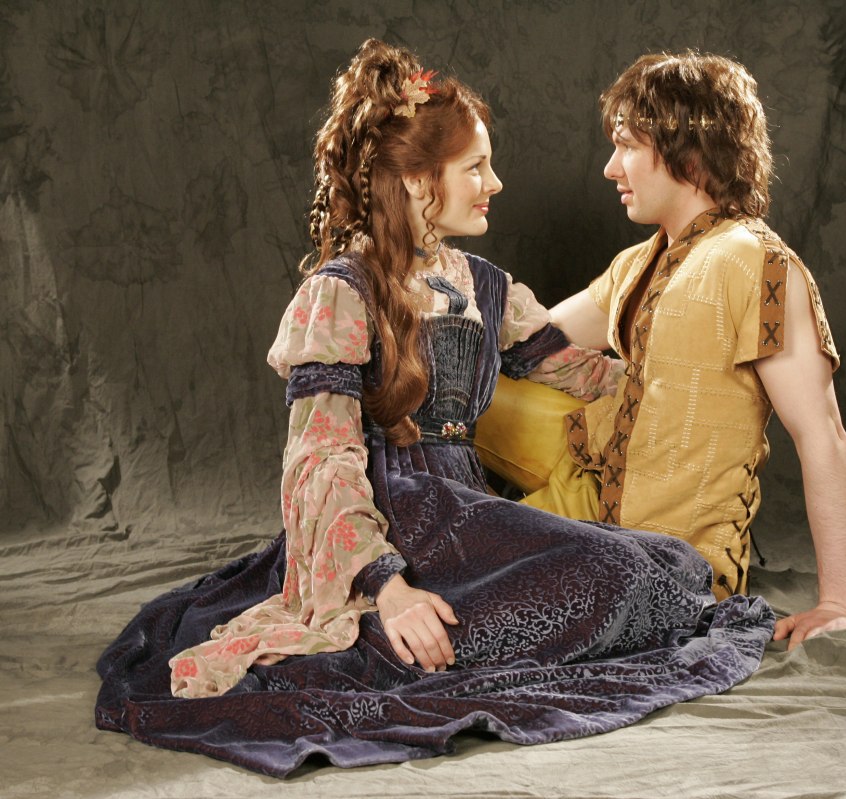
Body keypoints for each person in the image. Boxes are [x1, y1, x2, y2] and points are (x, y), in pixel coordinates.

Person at [94, 40, 774, 777]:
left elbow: (586, 375)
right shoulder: (341, 291)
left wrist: (704, 377)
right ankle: (388, 642)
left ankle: (455, 632)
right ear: (419, 181)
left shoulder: (483, 285)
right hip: (389, 518)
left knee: (670, 565)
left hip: (465, 510)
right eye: (475, 167)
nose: (495, 183)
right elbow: (321, 461)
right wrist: (387, 587)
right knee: (624, 579)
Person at [477, 51, 846, 652]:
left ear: (689, 152)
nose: (610, 168)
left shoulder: (759, 263)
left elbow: (823, 434)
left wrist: (838, 602)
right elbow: (526, 339)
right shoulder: (639, 261)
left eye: (628, 146)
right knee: (451, 379)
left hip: (670, 560)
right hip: (588, 497)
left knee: (465, 583)